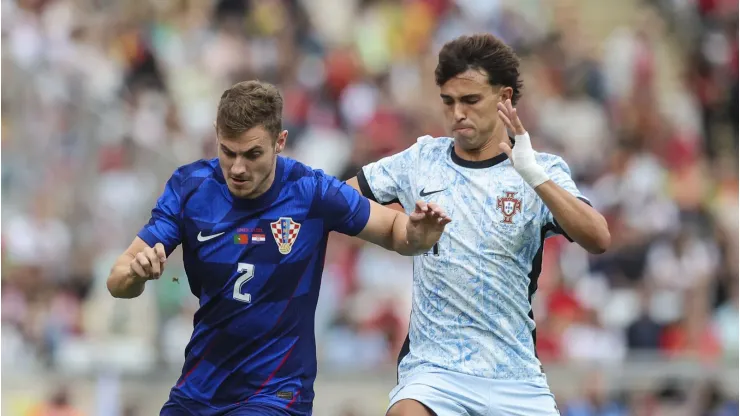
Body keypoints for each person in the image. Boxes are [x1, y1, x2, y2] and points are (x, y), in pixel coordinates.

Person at [106, 80, 452, 416]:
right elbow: (117, 279)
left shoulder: (311, 191)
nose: (238, 168)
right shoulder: (190, 187)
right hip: (200, 388)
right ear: (216, 136)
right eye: (228, 152)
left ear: (280, 142)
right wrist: (137, 275)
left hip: (277, 392)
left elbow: (394, 230)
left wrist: (419, 232)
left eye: (253, 153)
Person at [346, 33, 611, 416]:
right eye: (448, 101)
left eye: (470, 100)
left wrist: (532, 174)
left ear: (504, 99)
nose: (458, 113)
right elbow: (338, 200)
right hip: (435, 371)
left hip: (515, 376)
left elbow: (598, 237)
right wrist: (402, 229)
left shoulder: (544, 171)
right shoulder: (421, 160)